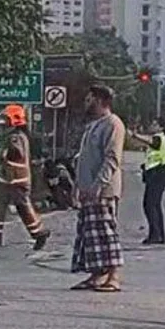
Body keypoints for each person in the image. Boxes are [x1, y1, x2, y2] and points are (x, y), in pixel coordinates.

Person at [69, 84, 125, 292]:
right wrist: (77, 186)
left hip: (103, 190)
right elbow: (84, 159)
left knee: (105, 234)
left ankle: (113, 277)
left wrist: (98, 185)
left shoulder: (113, 124)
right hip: (87, 189)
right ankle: (96, 275)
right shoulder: (93, 126)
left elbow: (112, 158)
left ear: (100, 101)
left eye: (89, 99)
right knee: (90, 236)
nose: (86, 103)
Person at [0, 104, 51, 249]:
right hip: (8, 179)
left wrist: (5, 154)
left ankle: (39, 233)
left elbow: (17, 153)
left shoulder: (16, 137)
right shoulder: (15, 135)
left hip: (17, 180)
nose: (4, 122)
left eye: (6, 119)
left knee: (23, 208)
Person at [127, 119, 165, 244]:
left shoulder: (159, 137)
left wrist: (135, 135)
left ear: (161, 127)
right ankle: (158, 234)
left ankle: (156, 234)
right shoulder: (159, 138)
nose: (151, 126)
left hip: (159, 172)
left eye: (154, 124)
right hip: (156, 173)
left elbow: (152, 142)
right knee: (154, 204)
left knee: (150, 204)